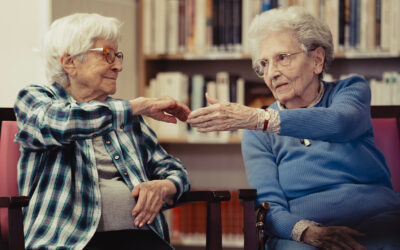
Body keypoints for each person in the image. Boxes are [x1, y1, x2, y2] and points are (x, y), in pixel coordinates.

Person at [188, 6, 400, 250]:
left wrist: (262, 119)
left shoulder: (351, 90)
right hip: (304, 232)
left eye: (282, 58)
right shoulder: (257, 132)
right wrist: (307, 232)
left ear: (317, 60)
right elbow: (268, 207)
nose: (272, 73)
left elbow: (340, 122)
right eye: (264, 64)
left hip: (375, 219)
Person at [14, 13, 190, 250]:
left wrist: (164, 187)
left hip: (140, 237)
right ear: (70, 62)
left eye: (117, 56)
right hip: (67, 241)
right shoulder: (35, 98)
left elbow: (173, 169)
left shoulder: (128, 118)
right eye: (108, 55)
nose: (118, 66)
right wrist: (139, 106)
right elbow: (59, 122)